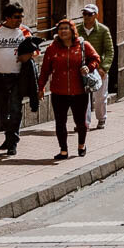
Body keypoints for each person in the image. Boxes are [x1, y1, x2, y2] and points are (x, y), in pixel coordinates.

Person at [37, 18, 101, 159]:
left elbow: (96, 58)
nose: (63, 31)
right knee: (60, 122)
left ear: (72, 31)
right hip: (58, 92)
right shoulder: (52, 48)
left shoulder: (83, 45)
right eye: (60, 29)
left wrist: (89, 67)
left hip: (79, 91)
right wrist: (40, 87)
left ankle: (81, 145)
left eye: (66, 28)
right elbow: (45, 70)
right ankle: (63, 150)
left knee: (80, 122)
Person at [0, 2, 34, 156]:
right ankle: (8, 136)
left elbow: (34, 52)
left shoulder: (25, 31)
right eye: (16, 17)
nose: (20, 20)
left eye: (21, 17)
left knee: (15, 109)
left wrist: (27, 55)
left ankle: (12, 142)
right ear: (7, 17)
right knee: (1, 112)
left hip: (17, 77)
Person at [80, 3, 115, 128]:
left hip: (98, 68)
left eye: (90, 14)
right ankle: (84, 122)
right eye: (84, 14)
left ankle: (101, 118)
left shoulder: (103, 30)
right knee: (83, 98)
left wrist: (104, 68)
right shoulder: (77, 30)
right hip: (83, 68)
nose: (86, 16)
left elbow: (109, 51)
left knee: (100, 97)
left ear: (96, 15)